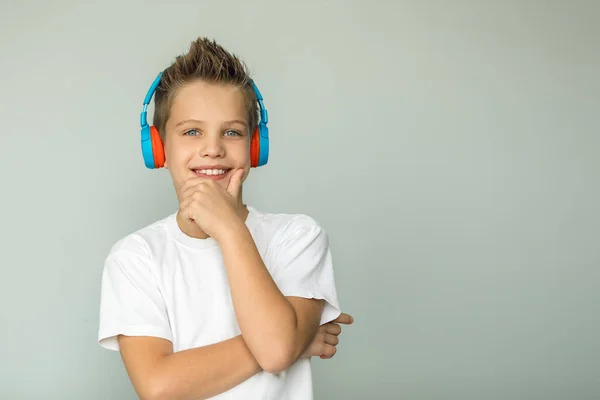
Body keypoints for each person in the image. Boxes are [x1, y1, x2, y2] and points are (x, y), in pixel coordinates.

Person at [97, 36, 353, 400]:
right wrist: (296, 339)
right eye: (191, 131)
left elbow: (277, 351)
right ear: (158, 148)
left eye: (232, 132)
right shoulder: (135, 257)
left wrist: (230, 229)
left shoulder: (297, 237)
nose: (213, 148)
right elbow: (159, 387)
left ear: (254, 146)